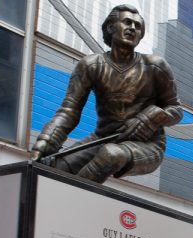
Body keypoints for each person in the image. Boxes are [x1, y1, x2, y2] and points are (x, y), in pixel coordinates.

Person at [30, 4, 183, 183]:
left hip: (147, 145)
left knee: (111, 155)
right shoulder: (91, 65)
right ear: (110, 27)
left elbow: (176, 109)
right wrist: (46, 143)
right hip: (102, 138)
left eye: (137, 26)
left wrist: (151, 118)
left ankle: (72, 200)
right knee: (50, 168)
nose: (132, 28)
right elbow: (69, 111)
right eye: (127, 22)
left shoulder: (155, 66)